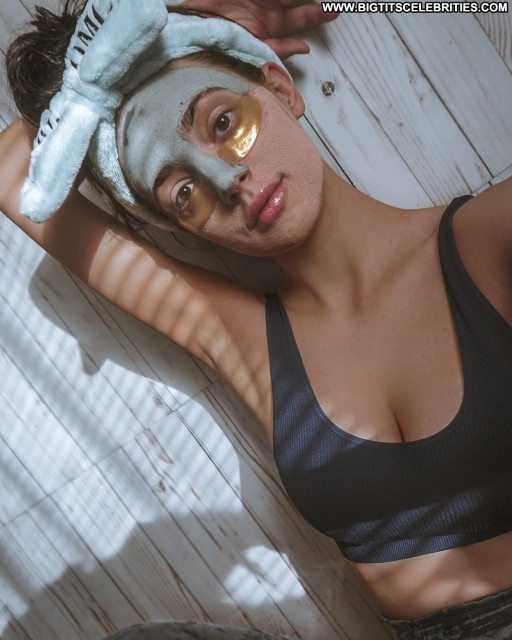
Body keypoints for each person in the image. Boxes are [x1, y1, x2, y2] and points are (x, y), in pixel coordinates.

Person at [1, 1, 511, 639]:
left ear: (278, 86)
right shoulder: (242, 339)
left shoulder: (491, 239)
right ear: (172, 227)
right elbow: (10, 171)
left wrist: (192, 18)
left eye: (222, 122)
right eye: (182, 192)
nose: (227, 179)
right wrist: (103, 79)